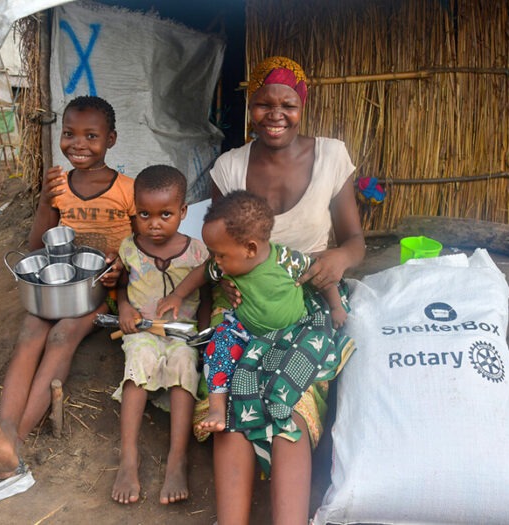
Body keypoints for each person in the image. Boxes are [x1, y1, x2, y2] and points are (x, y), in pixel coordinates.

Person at [208, 56, 366, 525]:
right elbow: (216, 249)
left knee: (291, 404)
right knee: (235, 396)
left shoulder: (333, 157)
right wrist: (222, 286)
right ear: (249, 106)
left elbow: (355, 241)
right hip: (244, 302)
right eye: (263, 105)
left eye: (287, 104)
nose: (275, 115)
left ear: (303, 105)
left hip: (311, 300)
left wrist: (337, 259)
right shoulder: (229, 168)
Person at [0, 96, 134, 480]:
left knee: (63, 334)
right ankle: (2, 431)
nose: (79, 144)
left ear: (112, 139)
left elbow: (144, 245)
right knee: (31, 329)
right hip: (61, 285)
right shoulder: (58, 187)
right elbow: (38, 246)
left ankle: (14, 441)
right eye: (69, 134)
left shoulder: (128, 190)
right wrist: (43, 199)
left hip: (104, 289)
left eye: (91, 135)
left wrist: (121, 266)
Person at [157, 190, 348, 436]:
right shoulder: (223, 263)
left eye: (220, 254)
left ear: (250, 248)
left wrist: (335, 307)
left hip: (292, 331)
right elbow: (201, 273)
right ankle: (217, 409)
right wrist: (176, 295)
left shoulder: (287, 261)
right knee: (219, 344)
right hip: (245, 328)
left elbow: (323, 278)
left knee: (300, 360)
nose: (215, 259)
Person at [110, 165, 209, 505]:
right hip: (142, 328)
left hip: (183, 332)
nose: (154, 223)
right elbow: (122, 285)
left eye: (165, 214)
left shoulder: (197, 252)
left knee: (183, 361)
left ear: (183, 212)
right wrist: (123, 308)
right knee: (140, 359)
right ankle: (128, 458)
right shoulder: (129, 248)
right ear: (134, 211)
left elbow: (208, 294)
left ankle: (177, 459)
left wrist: (206, 334)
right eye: (144, 214)